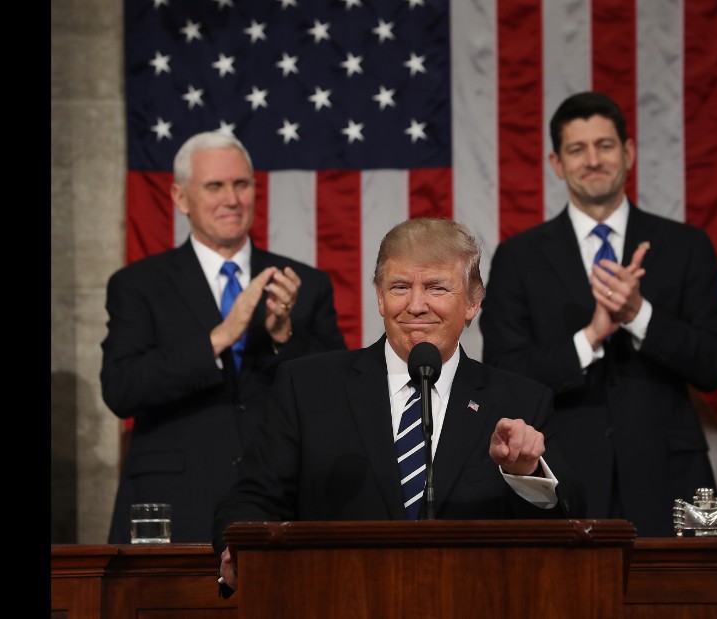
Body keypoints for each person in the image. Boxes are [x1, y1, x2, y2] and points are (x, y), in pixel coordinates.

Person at [212, 217, 585, 594]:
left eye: (437, 287)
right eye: (400, 287)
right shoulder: (307, 387)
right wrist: (238, 549)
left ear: (473, 303)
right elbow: (252, 497)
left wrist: (525, 473)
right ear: (379, 296)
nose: (416, 305)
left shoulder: (518, 400)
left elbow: (567, 523)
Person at [478, 91, 717, 537]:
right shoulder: (519, 257)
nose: (592, 160)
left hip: (669, 482)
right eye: (577, 149)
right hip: (564, 477)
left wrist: (639, 314)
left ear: (628, 153)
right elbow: (505, 371)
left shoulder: (686, 246)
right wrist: (590, 337)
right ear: (557, 163)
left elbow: (713, 365)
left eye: (605, 145)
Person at [100, 131, 347, 544]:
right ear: (181, 199)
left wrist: (285, 336)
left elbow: (338, 394)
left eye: (241, 184)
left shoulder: (304, 284)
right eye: (214, 186)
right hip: (174, 505)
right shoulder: (138, 285)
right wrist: (219, 337)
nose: (231, 199)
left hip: (279, 502)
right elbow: (121, 388)